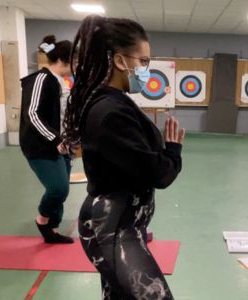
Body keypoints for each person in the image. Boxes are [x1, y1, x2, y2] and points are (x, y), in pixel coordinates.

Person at [63, 15, 185, 299]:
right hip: (114, 227)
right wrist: (173, 151)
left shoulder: (113, 101)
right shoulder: (111, 111)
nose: (146, 69)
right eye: (143, 61)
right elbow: (158, 173)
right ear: (120, 61)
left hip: (122, 222)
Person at [19, 35, 74, 243]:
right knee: (58, 188)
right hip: (39, 146)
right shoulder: (40, 79)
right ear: (62, 61)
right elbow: (32, 114)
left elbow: (60, 115)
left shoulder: (59, 82)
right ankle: (42, 220)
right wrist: (55, 139)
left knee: (63, 190)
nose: (76, 65)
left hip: (60, 144)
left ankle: (52, 229)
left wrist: (68, 139)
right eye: (74, 61)